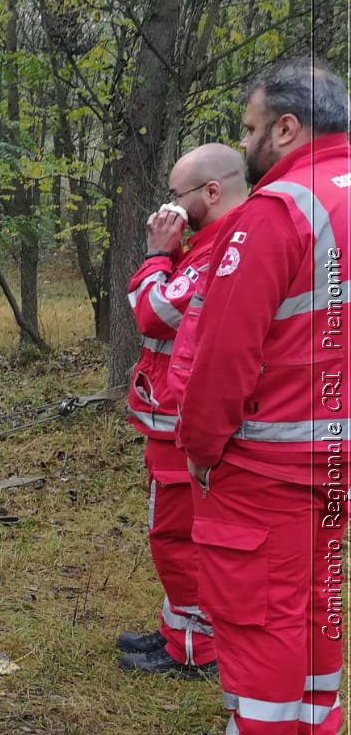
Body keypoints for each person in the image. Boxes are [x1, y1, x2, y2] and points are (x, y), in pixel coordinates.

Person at [175, 58, 350, 735]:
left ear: (287, 126)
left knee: (258, 614)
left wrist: (202, 449)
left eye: (250, 130)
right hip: (336, 457)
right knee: (315, 600)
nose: (245, 146)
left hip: (274, 455)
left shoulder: (279, 210)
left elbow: (223, 355)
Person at [117, 144, 249, 677]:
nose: (167, 209)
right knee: (172, 534)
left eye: (177, 197)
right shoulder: (207, 243)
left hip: (185, 424)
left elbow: (153, 314)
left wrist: (156, 253)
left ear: (211, 192)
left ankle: (195, 649)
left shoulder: (224, 247)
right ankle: (179, 632)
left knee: (181, 537)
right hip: (170, 419)